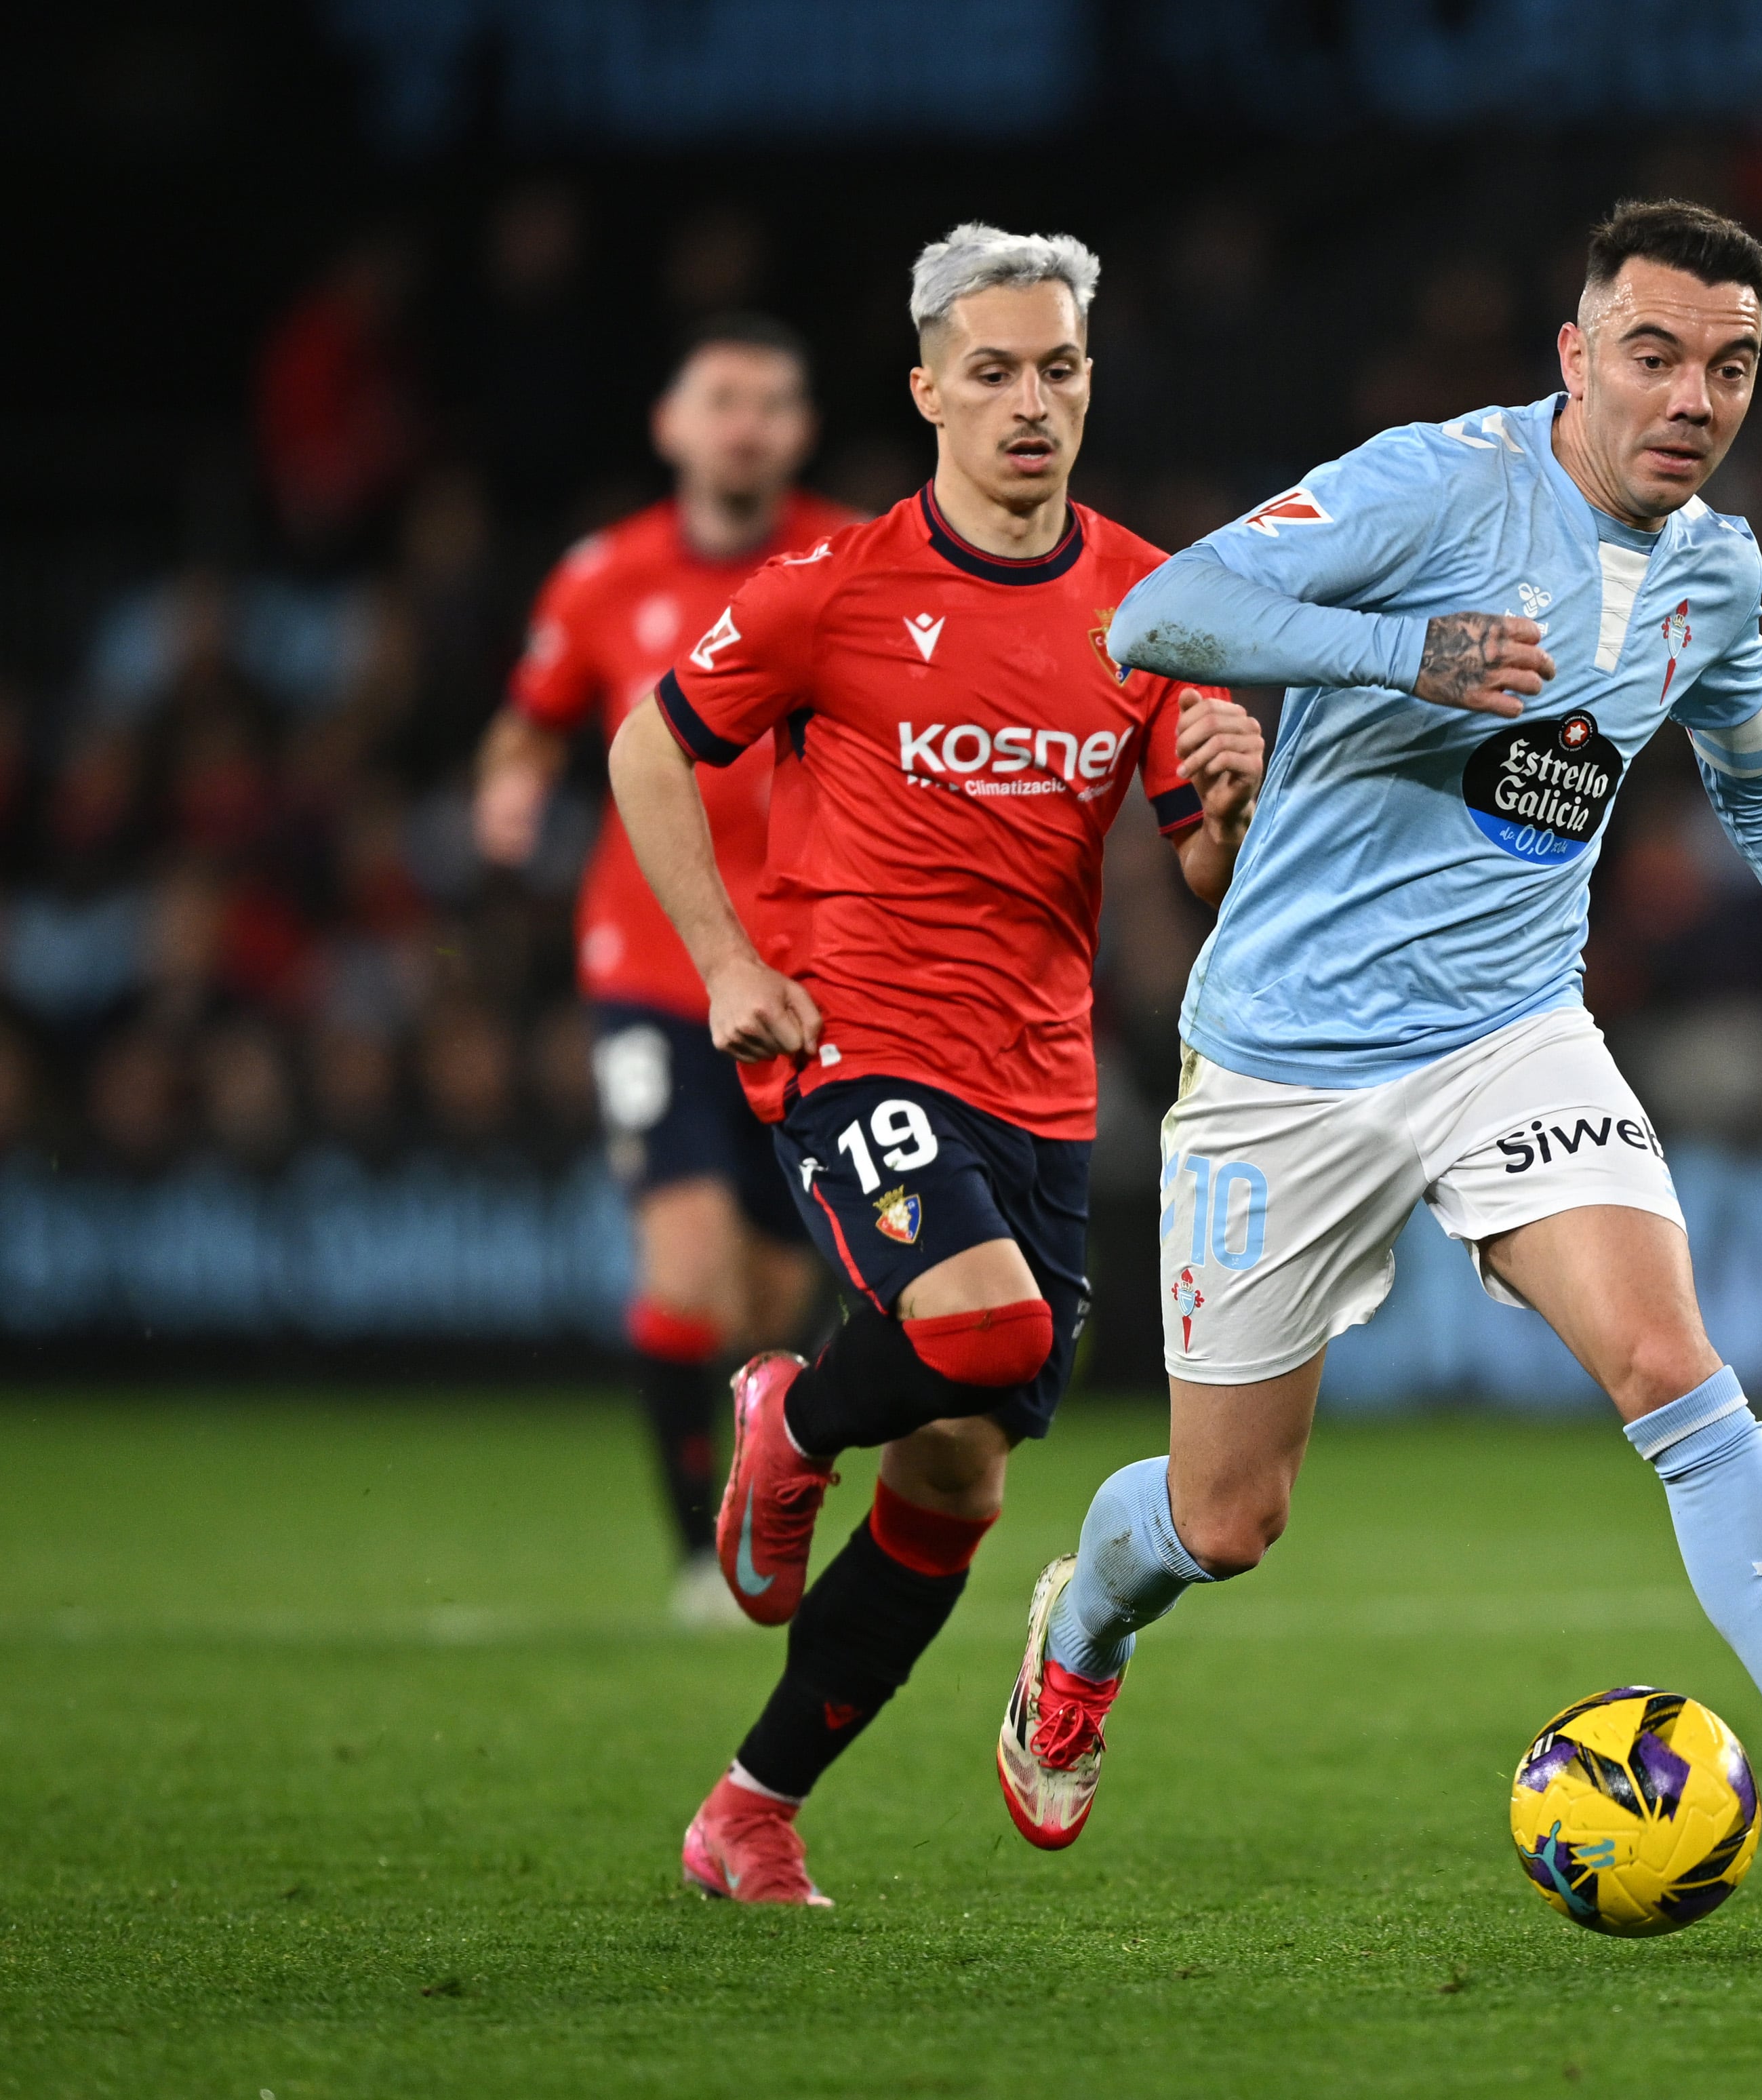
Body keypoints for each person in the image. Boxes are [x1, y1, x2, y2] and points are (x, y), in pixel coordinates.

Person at [999, 200, 1762, 1944]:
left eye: (1732, 366)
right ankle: (1080, 1626)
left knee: (1677, 1370)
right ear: (1577, 357)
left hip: (1512, 1035)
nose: (1692, 398)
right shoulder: (1436, 486)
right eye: (1655, 355)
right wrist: (1408, 652)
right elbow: (1159, 611)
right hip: (1288, 1058)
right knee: (1226, 1519)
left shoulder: (1716, 573)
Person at [607, 223, 1262, 1906]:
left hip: (1040, 1083)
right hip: (855, 1045)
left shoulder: (1152, 603)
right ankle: (790, 1411)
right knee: (990, 1329)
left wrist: (1232, 797)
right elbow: (650, 747)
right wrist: (729, 961)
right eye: (994, 373)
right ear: (928, 393)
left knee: (958, 1477)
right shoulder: (834, 589)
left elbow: (1199, 868)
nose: (1031, 403)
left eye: (1059, 369)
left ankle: (750, 1807)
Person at [475, 315, 855, 1627]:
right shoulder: (601, 577)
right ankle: (700, 1556)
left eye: (771, 402)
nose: (745, 424)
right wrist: (511, 790)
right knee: (685, 1262)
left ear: (800, 432)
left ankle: (755, 1500)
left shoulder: (849, 563)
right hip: (647, 966)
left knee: (773, 1295)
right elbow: (528, 729)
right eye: (722, 399)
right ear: (673, 426)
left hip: (803, 967)